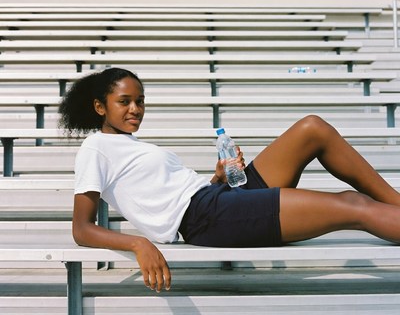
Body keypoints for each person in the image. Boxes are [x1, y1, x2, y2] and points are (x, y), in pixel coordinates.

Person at [58, 67, 400, 293]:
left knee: (313, 129)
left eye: (140, 101)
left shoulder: (129, 144)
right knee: (352, 205)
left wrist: (219, 176)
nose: (135, 109)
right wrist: (138, 244)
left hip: (216, 199)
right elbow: (82, 229)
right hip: (207, 217)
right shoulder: (95, 148)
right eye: (125, 102)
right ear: (100, 107)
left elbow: (177, 192)